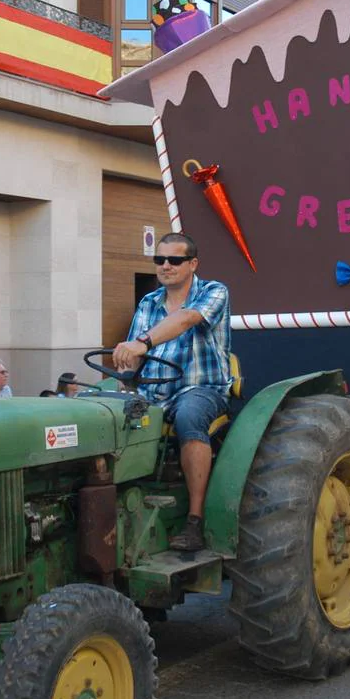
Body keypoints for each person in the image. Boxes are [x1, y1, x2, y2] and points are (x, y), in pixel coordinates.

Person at [114, 232, 230, 551]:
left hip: (200, 388)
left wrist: (142, 343)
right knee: (108, 412)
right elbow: (133, 358)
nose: (165, 266)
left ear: (192, 264)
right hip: (154, 391)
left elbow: (184, 320)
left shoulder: (213, 292)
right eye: (159, 260)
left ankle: (195, 520)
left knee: (190, 416)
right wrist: (123, 376)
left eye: (174, 260)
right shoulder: (149, 303)